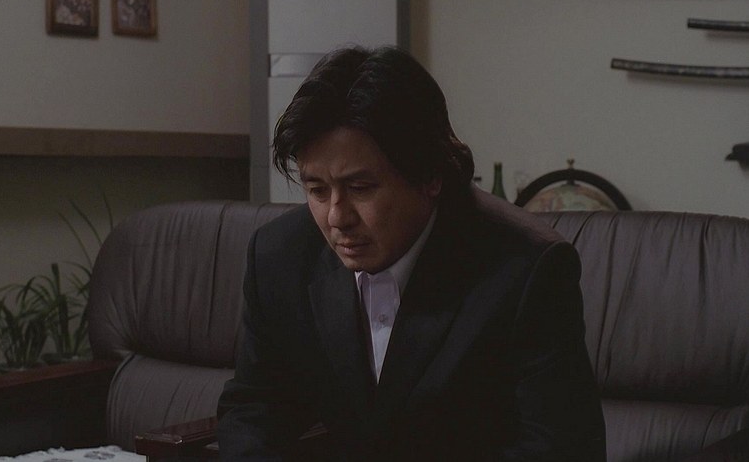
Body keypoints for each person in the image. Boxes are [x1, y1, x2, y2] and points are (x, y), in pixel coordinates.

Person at [217, 46, 606, 461]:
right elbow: (253, 409)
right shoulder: (280, 256)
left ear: (429, 176)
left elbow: (562, 449)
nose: (336, 217)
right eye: (317, 190)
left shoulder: (526, 269)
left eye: (360, 188)